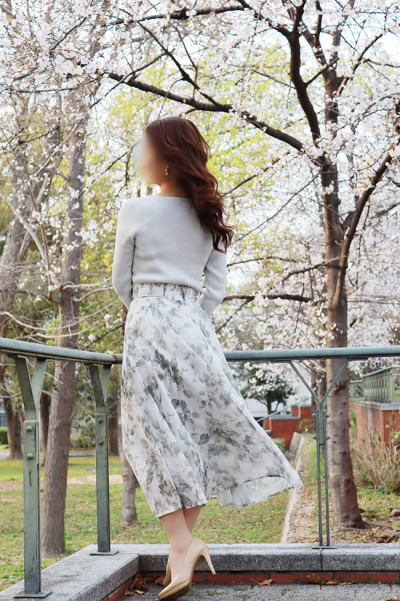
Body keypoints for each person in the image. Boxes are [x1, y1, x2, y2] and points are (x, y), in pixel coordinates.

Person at [112, 116, 303, 601]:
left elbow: (120, 281)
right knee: (198, 431)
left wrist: (148, 312)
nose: (138, 155)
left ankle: (183, 544)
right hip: (193, 327)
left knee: (148, 435)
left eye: (144, 148)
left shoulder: (135, 208)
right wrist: (187, 319)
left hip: (147, 320)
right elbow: (214, 289)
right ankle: (181, 549)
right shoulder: (209, 214)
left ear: (166, 158)